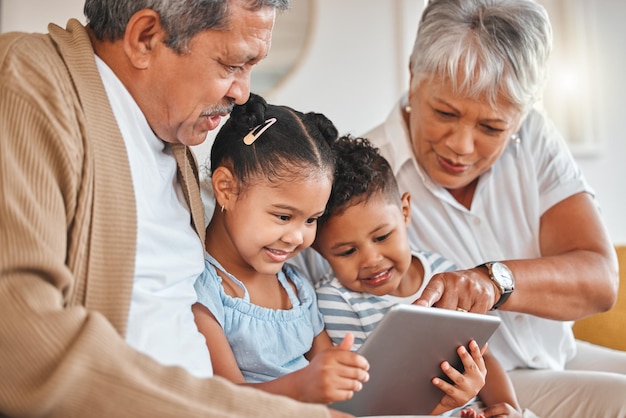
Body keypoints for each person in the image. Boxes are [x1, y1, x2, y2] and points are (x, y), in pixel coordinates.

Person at [0, 1, 351, 417]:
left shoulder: (173, 140)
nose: (242, 93)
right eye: (232, 65)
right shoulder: (28, 83)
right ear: (145, 38)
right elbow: (21, 343)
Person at [361, 0, 626, 416]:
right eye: (444, 113)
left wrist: (492, 281)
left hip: (559, 353)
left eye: (491, 127)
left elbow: (600, 281)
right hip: (473, 384)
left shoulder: (535, 137)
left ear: (520, 118)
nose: (461, 147)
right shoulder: (364, 175)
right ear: (413, 75)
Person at [314, 135, 525, 418]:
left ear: (404, 212)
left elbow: (482, 354)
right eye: (348, 251)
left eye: (382, 236)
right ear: (319, 249)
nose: (371, 260)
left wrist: (507, 407)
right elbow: (361, 404)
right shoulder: (335, 301)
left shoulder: (445, 274)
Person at [192, 94, 371, 405]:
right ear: (226, 189)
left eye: (312, 220)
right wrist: (301, 386)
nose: (297, 237)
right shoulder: (205, 293)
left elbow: (344, 392)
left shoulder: (295, 287)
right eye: (283, 216)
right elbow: (226, 400)